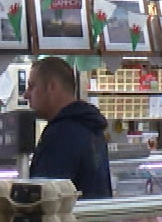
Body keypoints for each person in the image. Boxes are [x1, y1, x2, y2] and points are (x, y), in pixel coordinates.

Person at [24, 56, 112, 199]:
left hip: (68, 221)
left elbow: (44, 201)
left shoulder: (61, 135)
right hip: (91, 218)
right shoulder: (91, 127)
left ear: (51, 86)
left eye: (32, 86)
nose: (26, 95)